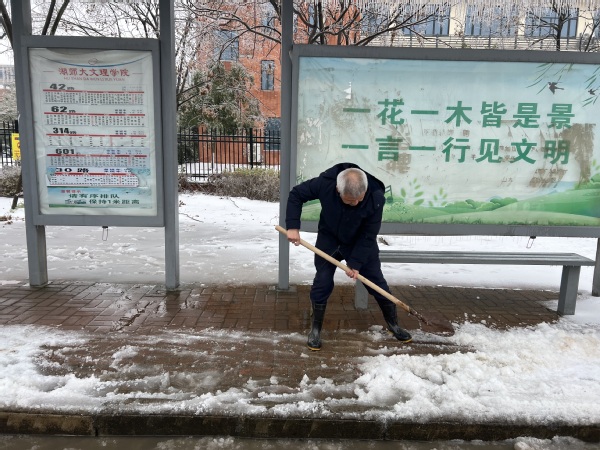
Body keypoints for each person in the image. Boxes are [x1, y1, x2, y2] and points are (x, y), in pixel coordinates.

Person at [285, 162, 412, 351]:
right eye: (350, 201)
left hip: (360, 242)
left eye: (359, 199)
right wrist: (293, 226)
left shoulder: (375, 197)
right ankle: (315, 330)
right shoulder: (325, 184)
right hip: (329, 239)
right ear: (338, 190)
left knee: (376, 282)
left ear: (365, 190)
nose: (356, 203)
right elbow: (296, 194)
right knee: (322, 282)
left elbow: (369, 234)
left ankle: (393, 325)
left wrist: (356, 263)